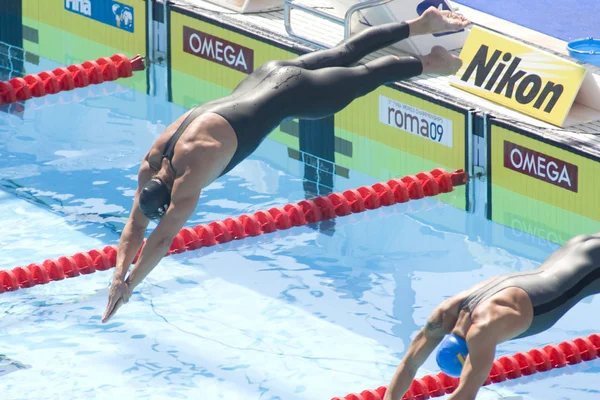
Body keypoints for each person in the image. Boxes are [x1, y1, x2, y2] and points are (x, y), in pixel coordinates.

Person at [101, 7, 471, 323]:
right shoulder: (153, 159)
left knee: (370, 75)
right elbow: (136, 222)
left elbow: (161, 236)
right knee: (347, 51)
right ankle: (423, 23)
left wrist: (131, 285)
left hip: (297, 95)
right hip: (270, 73)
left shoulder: (189, 179)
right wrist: (119, 276)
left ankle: (431, 62)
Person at [383, 234, 600, 400]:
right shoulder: (445, 313)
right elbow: (409, 363)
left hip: (591, 271)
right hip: (576, 249)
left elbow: (465, 394)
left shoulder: (482, 331)